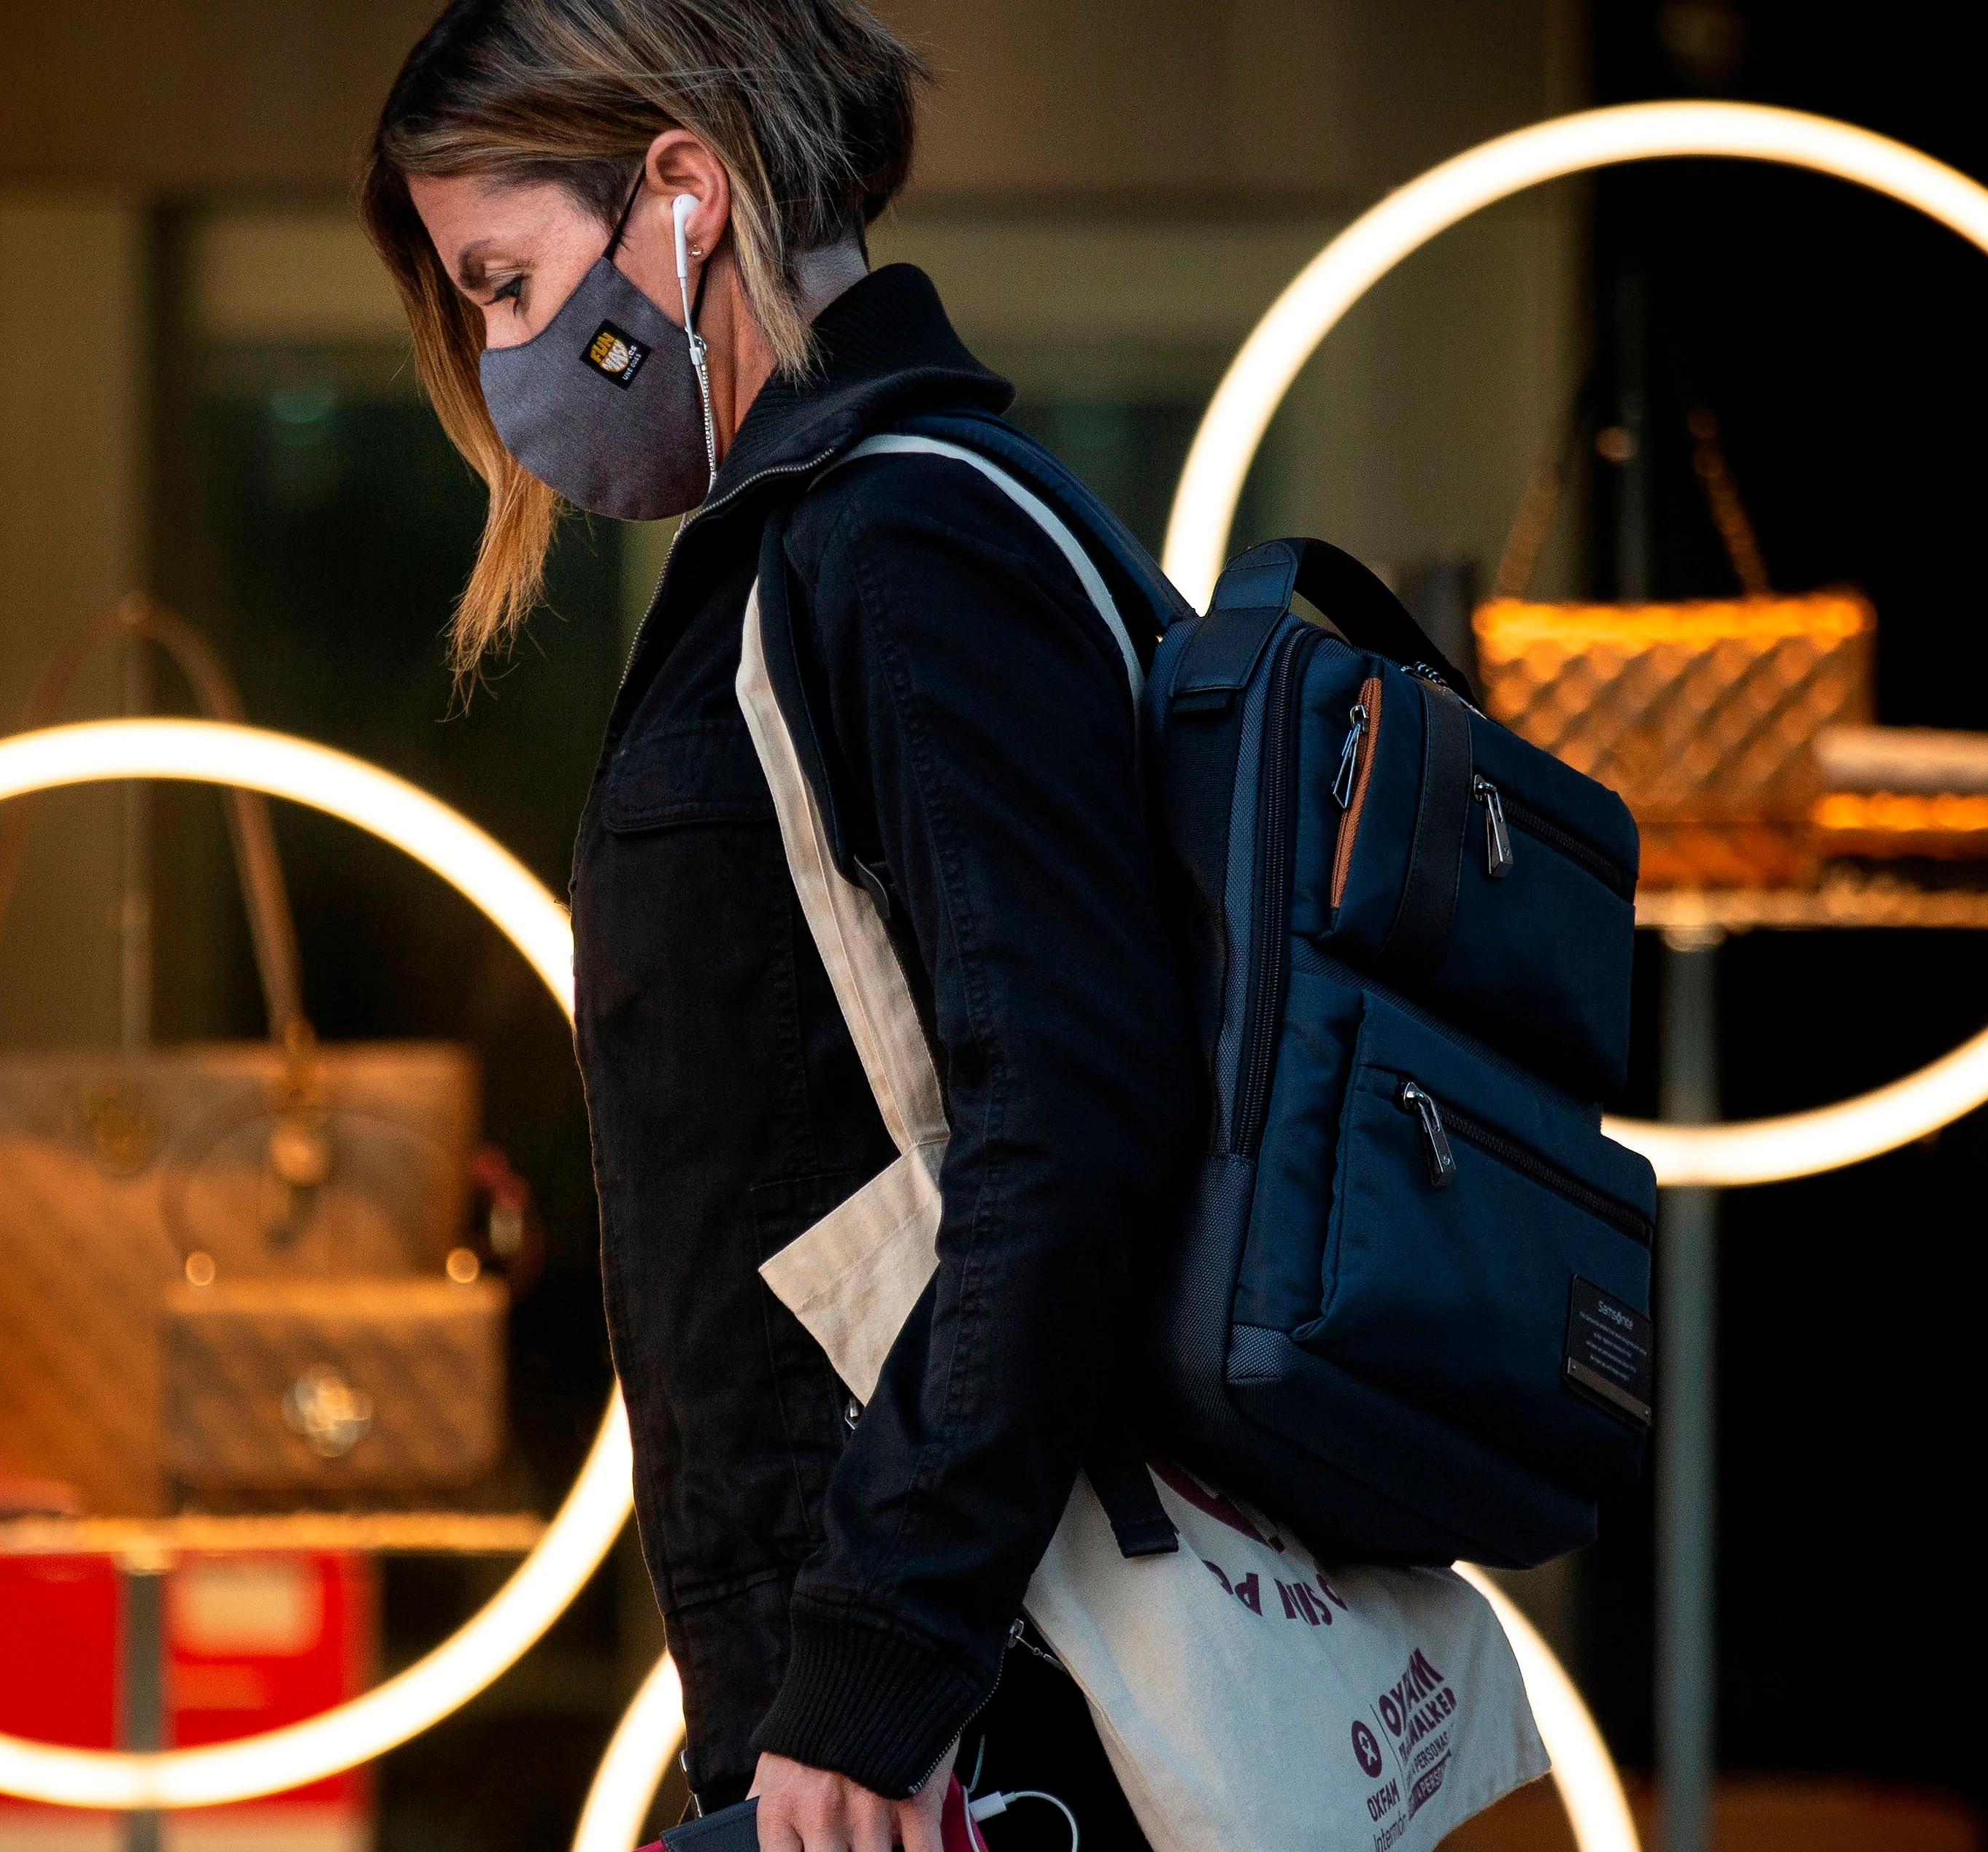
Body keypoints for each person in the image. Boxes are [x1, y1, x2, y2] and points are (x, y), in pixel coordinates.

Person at [363, 5, 1198, 1851]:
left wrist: (885, 1649)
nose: (505, 360)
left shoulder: (895, 539)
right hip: (890, 1716)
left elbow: (1064, 1108)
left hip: (955, 1729)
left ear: (679, 187)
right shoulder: (858, 534)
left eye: (505, 285)